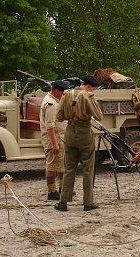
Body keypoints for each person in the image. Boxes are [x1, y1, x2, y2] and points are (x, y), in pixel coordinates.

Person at [54, 75, 103, 212]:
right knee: (88, 169)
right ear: (88, 86)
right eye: (94, 88)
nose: (94, 91)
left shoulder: (66, 94)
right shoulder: (88, 96)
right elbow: (99, 116)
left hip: (70, 132)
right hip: (84, 132)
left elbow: (59, 116)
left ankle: (63, 202)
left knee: (69, 168)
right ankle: (88, 202)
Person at [40, 80, 70, 200]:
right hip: (54, 139)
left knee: (61, 165)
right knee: (52, 166)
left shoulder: (54, 100)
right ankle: (52, 191)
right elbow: (50, 126)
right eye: (62, 92)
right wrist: (54, 144)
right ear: (56, 90)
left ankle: (63, 188)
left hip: (60, 137)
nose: (63, 94)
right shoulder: (50, 104)